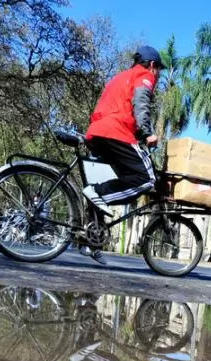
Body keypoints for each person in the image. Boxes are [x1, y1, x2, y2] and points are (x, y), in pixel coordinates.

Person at [80, 45, 165, 265]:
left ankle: (91, 242)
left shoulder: (121, 76)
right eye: (159, 70)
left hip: (97, 132)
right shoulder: (144, 75)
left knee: (123, 180)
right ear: (153, 65)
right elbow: (140, 104)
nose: (158, 75)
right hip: (115, 132)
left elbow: (119, 106)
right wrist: (147, 133)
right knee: (147, 179)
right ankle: (96, 194)